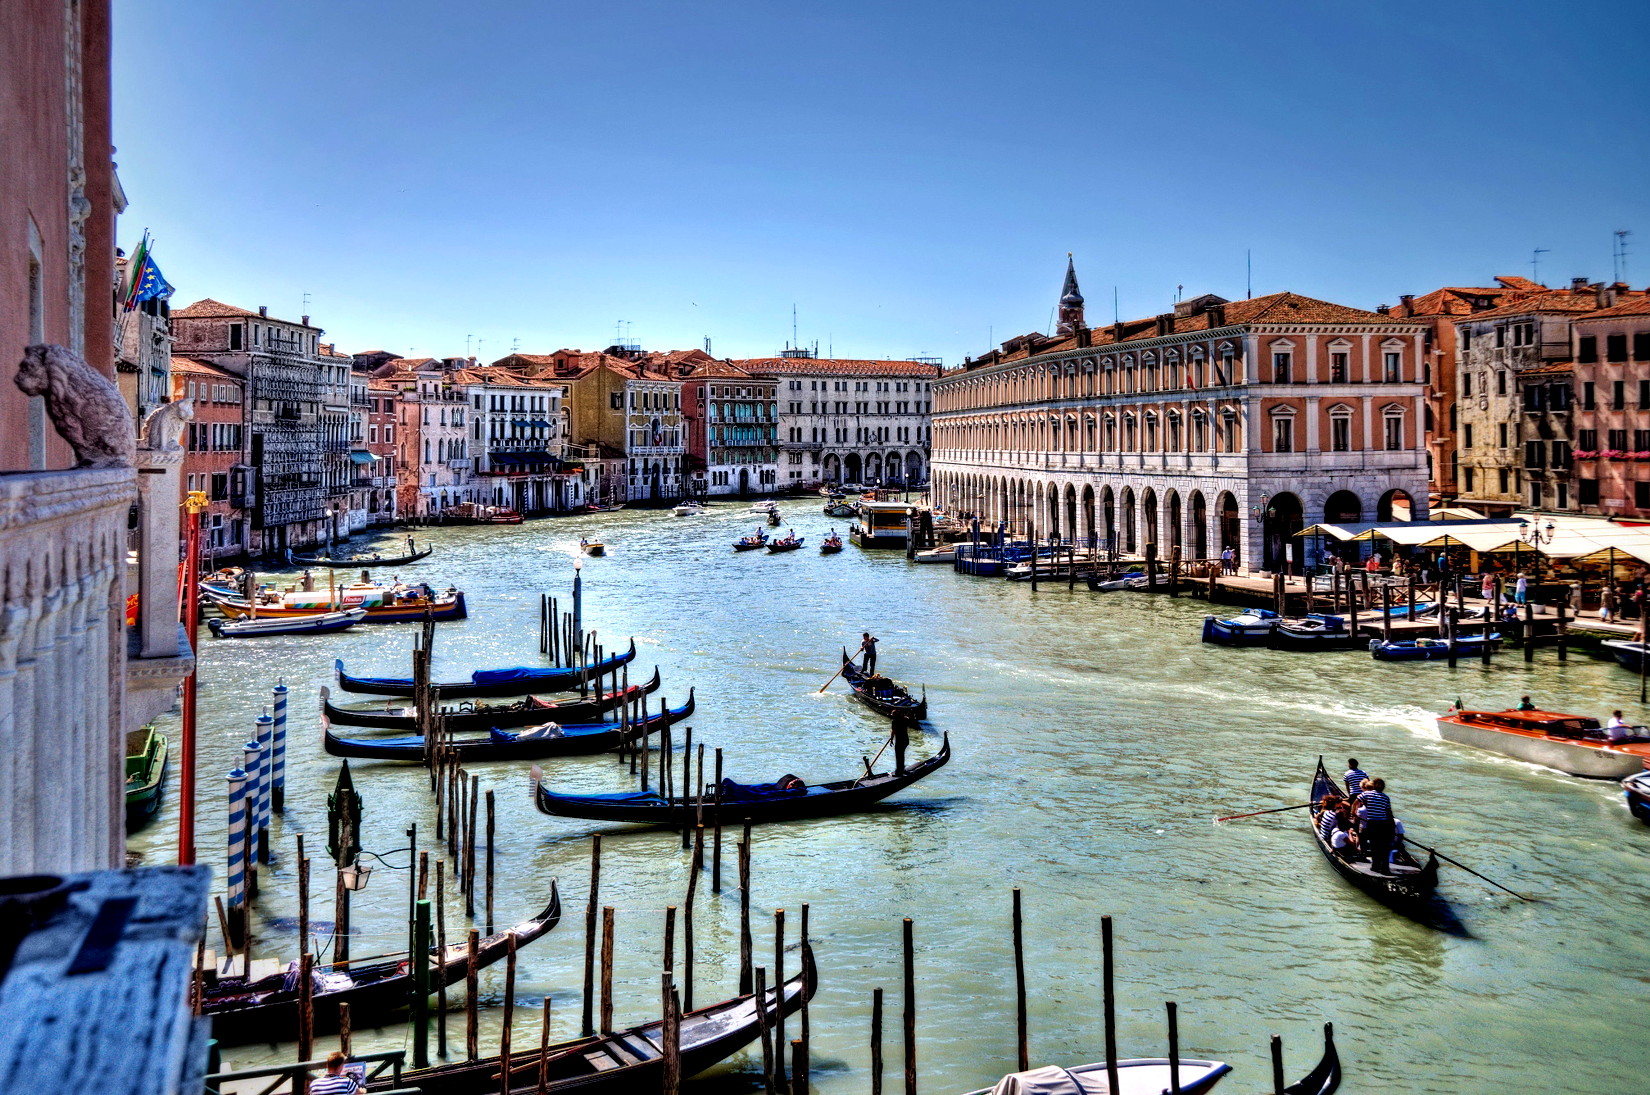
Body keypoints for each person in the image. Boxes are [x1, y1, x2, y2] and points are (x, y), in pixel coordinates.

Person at [1356, 778, 1396, 874]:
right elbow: (1388, 812)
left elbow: (1356, 801)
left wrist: (1353, 813)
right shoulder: (1386, 797)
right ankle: (1385, 868)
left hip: (1373, 824)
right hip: (1384, 825)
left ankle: (1375, 866)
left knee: (1375, 846)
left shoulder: (1367, 794)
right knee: (1384, 847)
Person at [891, 711, 912, 776]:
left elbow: (893, 731)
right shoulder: (905, 719)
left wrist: (891, 739)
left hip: (900, 741)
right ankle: (902, 769)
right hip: (906, 740)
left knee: (898, 755)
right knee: (901, 754)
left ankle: (899, 772)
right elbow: (908, 718)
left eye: (892, 714)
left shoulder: (894, 721)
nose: (891, 715)